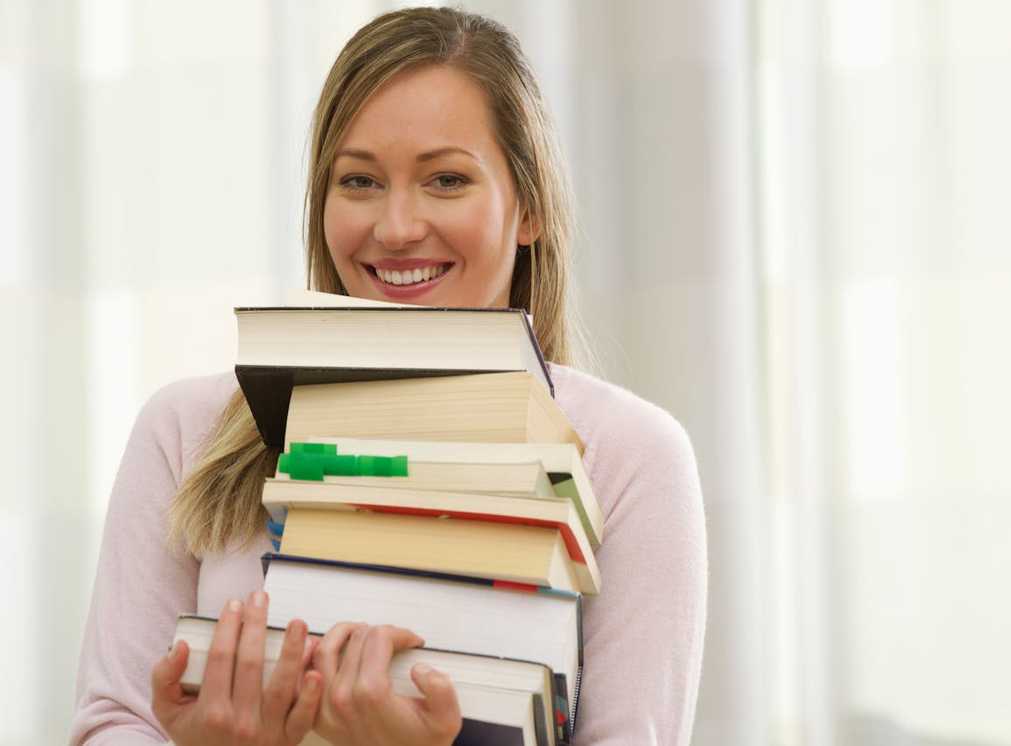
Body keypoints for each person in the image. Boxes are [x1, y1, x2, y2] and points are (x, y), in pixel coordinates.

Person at [70, 7, 707, 746]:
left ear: (527, 206)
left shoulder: (632, 456)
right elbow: (113, 721)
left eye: (444, 179)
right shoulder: (184, 431)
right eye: (361, 181)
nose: (397, 227)